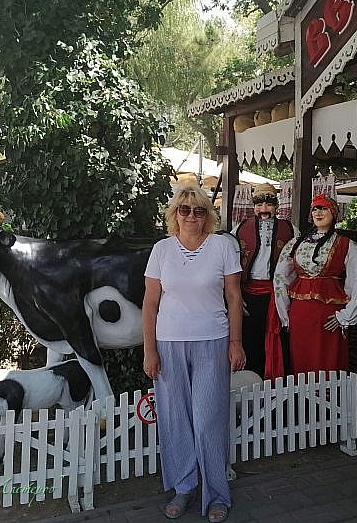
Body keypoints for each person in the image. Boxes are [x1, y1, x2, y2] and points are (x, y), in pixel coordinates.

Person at [142, 185, 245, 523]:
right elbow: (150, 303)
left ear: (208, 215)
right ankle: (184, 486)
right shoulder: (161, 250)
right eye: (184, 210)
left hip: (213, 341)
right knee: (175, 420)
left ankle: (217, 494)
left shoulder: (223, 247)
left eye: (199, 210)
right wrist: (150, 350)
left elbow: (233, 297)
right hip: (168, 342)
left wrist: (235, 342)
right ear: (175, 214)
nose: (191, 216)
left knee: (208, 420)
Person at [274, 193, 357, 375]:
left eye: (324, 208)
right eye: (315, 208)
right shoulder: (295, 243)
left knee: (328, 365)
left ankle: (328, 402)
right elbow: (280, 278)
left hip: (329, 318)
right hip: (300, 316)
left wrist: (346, 316)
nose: (318, 212)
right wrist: (285, 315)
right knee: (302, 364)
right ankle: (303, 402)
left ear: (334, 213)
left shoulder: (347, 245)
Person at [232, 184, 296, 379]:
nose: (264, 209)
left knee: (276, 341)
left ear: (276, 206)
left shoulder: (290, 230)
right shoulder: (240, 229)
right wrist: (235, 295)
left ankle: (274, 385)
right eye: (259, 204)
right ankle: (249, 384)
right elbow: (229, 265)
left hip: (276, 296)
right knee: (249, 340)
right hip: (247, 295)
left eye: (269, 204)